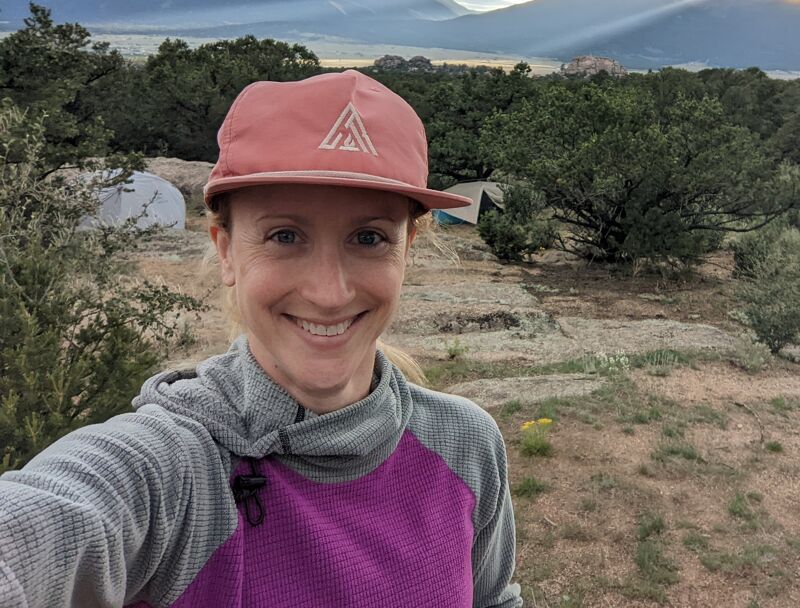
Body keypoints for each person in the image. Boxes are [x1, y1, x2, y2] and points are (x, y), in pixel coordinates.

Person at [0, 70, 522, 607]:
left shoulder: (465, 443)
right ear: (225, 249)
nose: (329, 293)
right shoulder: (173, 472)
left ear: (407, 248)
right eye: (285, 236)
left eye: (369, 238)